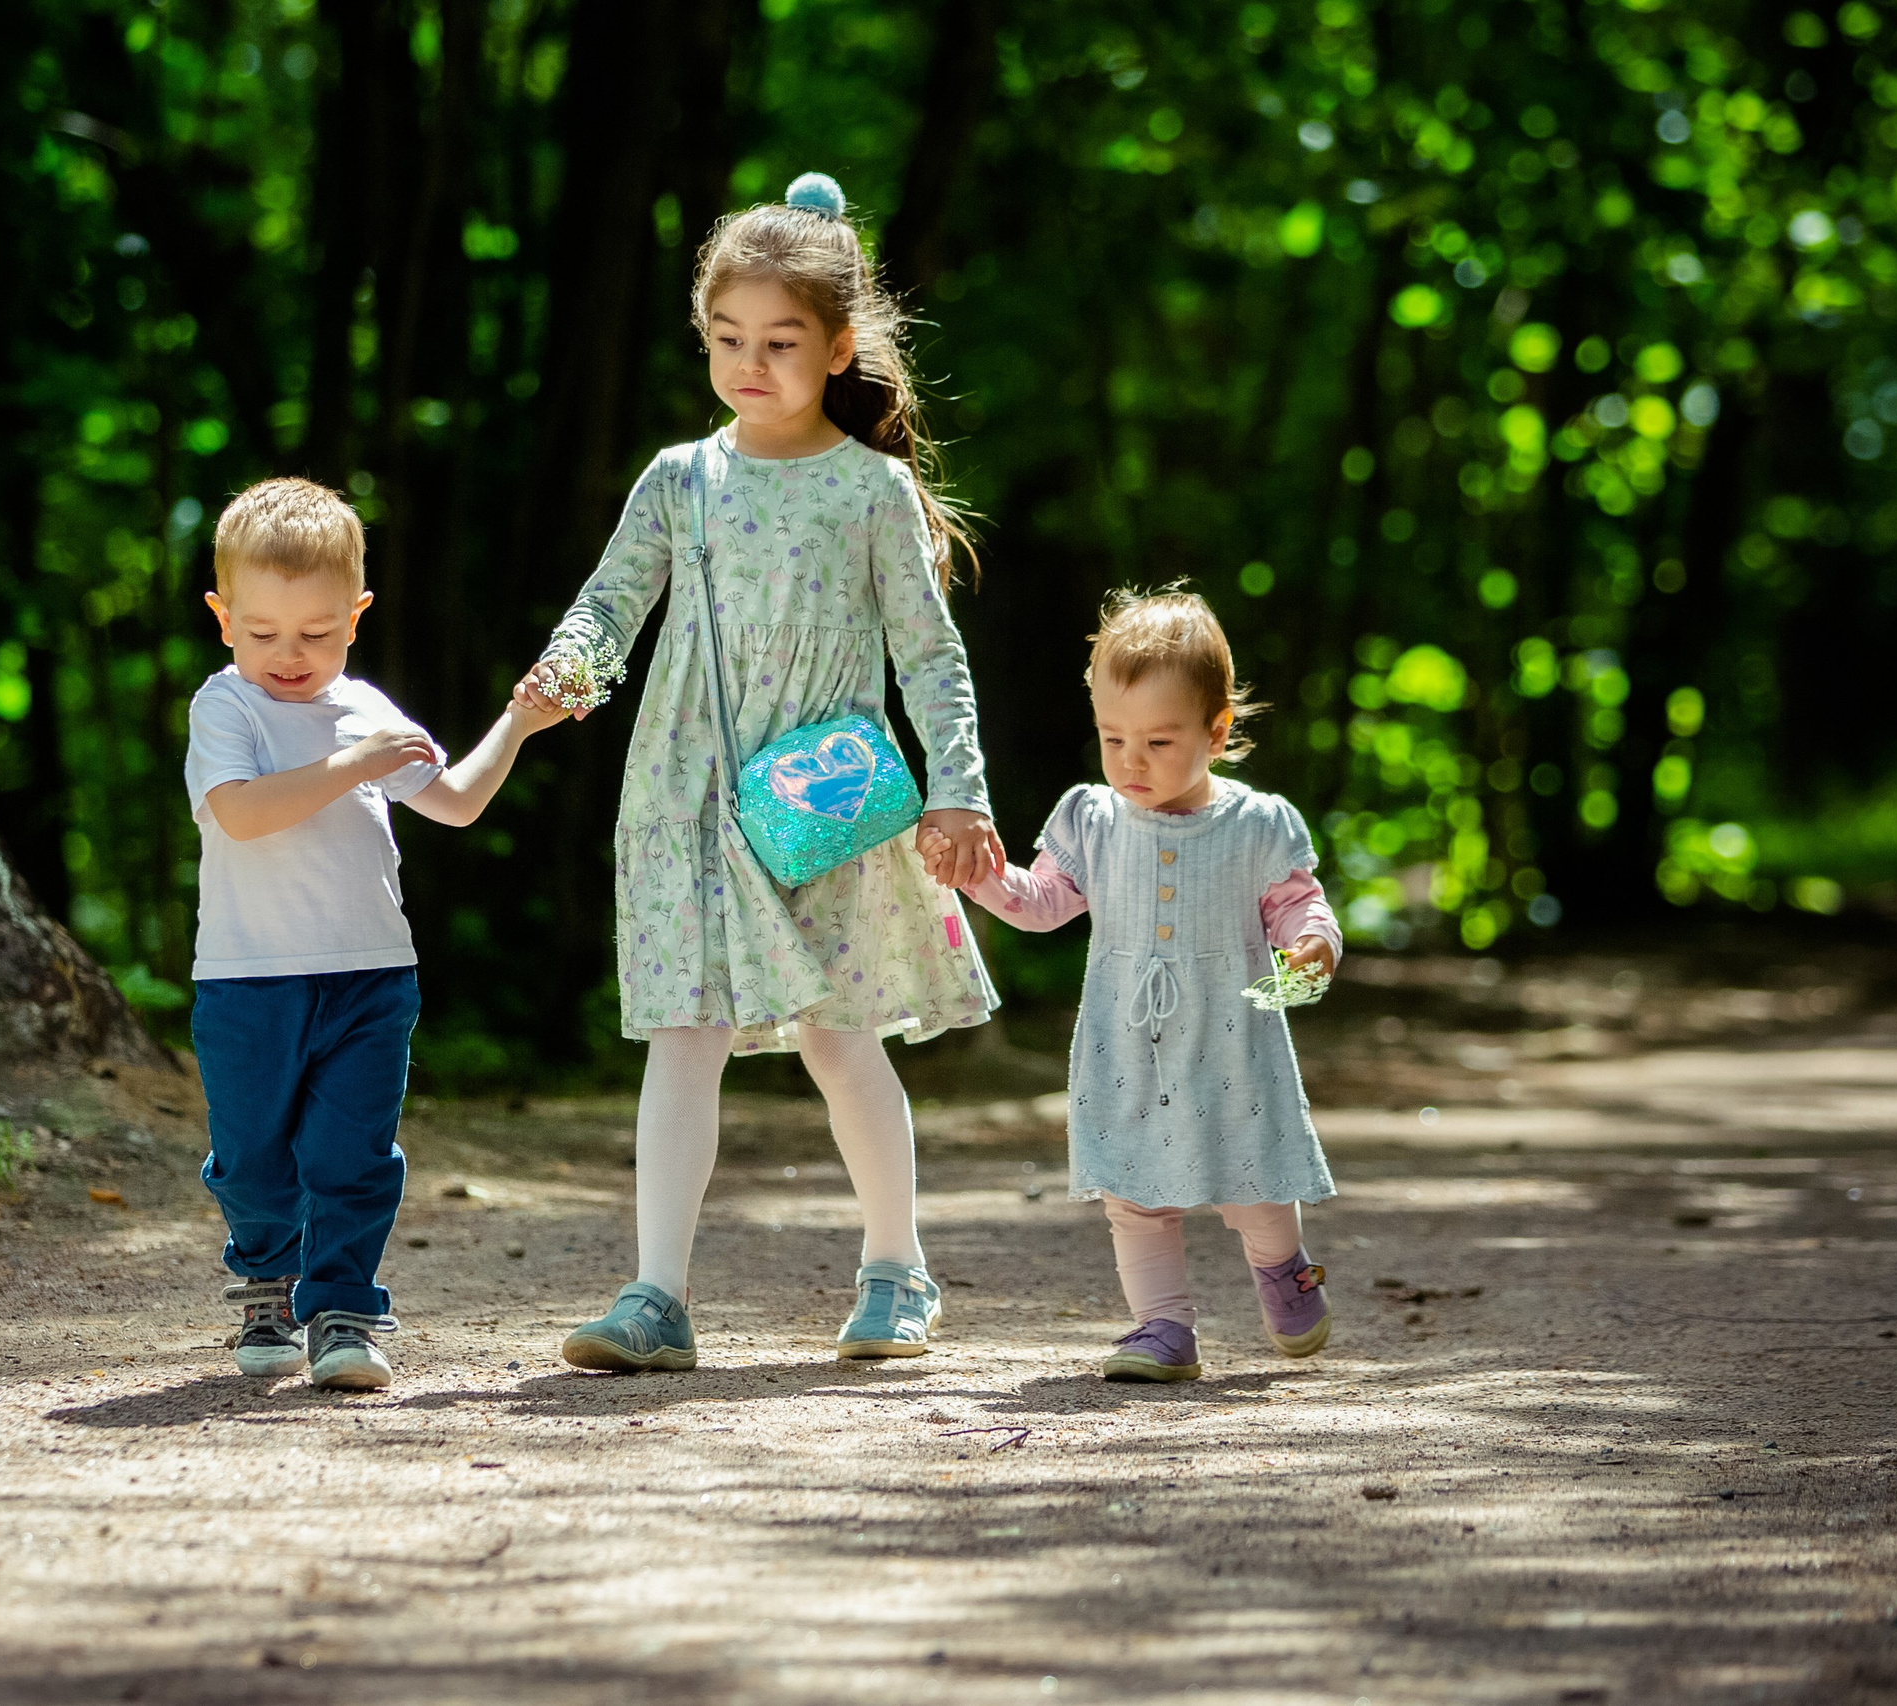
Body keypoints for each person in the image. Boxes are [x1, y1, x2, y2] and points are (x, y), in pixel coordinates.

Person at [514, 172, 1004, 1372]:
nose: (750, 361)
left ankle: (897, 1267)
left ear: (837, 348)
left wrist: (959, 789)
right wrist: (563, 674)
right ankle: (655, 1296)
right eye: (728, 338)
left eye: (781, 342)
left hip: (826, 804)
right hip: (685, 793)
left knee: (841, 1039)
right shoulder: (680, 479)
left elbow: (928, 654)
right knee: (683, 1030)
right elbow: (610, 603)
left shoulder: (871, 488)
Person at [187, 478, 561, 1391]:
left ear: (355, 616)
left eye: (316, 632)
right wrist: (349, 764)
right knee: (254, 1159)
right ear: (222, 615)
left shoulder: (370, 710)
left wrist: (519, 721)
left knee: (353, 1154)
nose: (289, 654)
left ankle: (346, 1314)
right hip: (248, 980)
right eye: (264, 631)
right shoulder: (224, 707)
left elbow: (458, 802)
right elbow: (239, 814)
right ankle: (266, 1282)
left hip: (371, 976)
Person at [933, 587, 1342, 1382]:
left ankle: (1283, 1267)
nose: (1131, 761)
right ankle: (1163, 1329)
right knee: (1134, 1194)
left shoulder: (1257, 825)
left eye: (1158, 740)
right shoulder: (1093, 817)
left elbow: (1298, 905)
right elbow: (1044, 904)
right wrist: (982, 879)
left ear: (1216, 733)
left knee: (1251, 1185)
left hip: (1231, 1043)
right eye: (1113, 737)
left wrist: (1311, 947)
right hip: (1129, 1043)